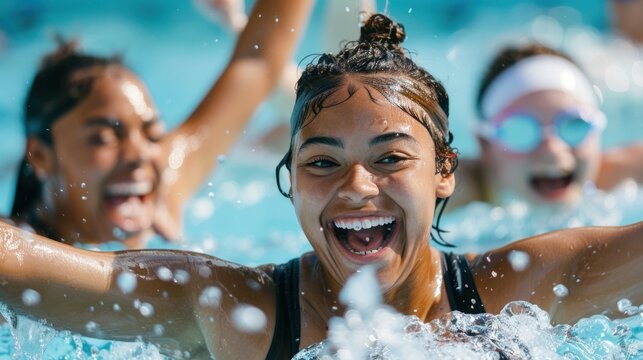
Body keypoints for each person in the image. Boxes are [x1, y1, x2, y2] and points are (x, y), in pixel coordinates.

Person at [0, 14, 641, 360]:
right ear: (288, 182)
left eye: (391, 158)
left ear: (445, 170)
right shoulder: (237, 313)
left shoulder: (517, 290)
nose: (357, 187)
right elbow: (26, 266)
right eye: (322, 163)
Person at [7, 0, 315, 249]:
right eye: (104, 138)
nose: (140, 154)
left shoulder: (162, 192)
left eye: (153, 134)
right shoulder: (13, 255)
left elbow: (257, 62)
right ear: (41, 156)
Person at [448, 44, 643, 209]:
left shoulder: (627, 179)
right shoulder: (450, 188)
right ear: (485, 145)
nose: (553, 150)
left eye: (574, 125)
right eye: (520, 131)